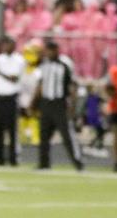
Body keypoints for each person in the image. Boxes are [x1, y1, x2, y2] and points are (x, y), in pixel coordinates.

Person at [33, 40, 84, 171]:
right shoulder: (44, 64)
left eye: (51, 50)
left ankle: (78, 162)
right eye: (47, 50)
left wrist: (72, 105)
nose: (49, 53)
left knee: (67, 135)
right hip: (46, 102)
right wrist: (33, 103)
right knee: (43, 135)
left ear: (56, 51)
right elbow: (40, 84)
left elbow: (73, 85)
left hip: (59, 103)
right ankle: (44, 163)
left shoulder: (65, 64)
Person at [0, 36, 22, 165]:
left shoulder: (19, 60)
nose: (5, 47)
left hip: (11, 96)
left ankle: (14, 158)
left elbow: (14, 78)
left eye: (8, 44)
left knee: (12, 130)